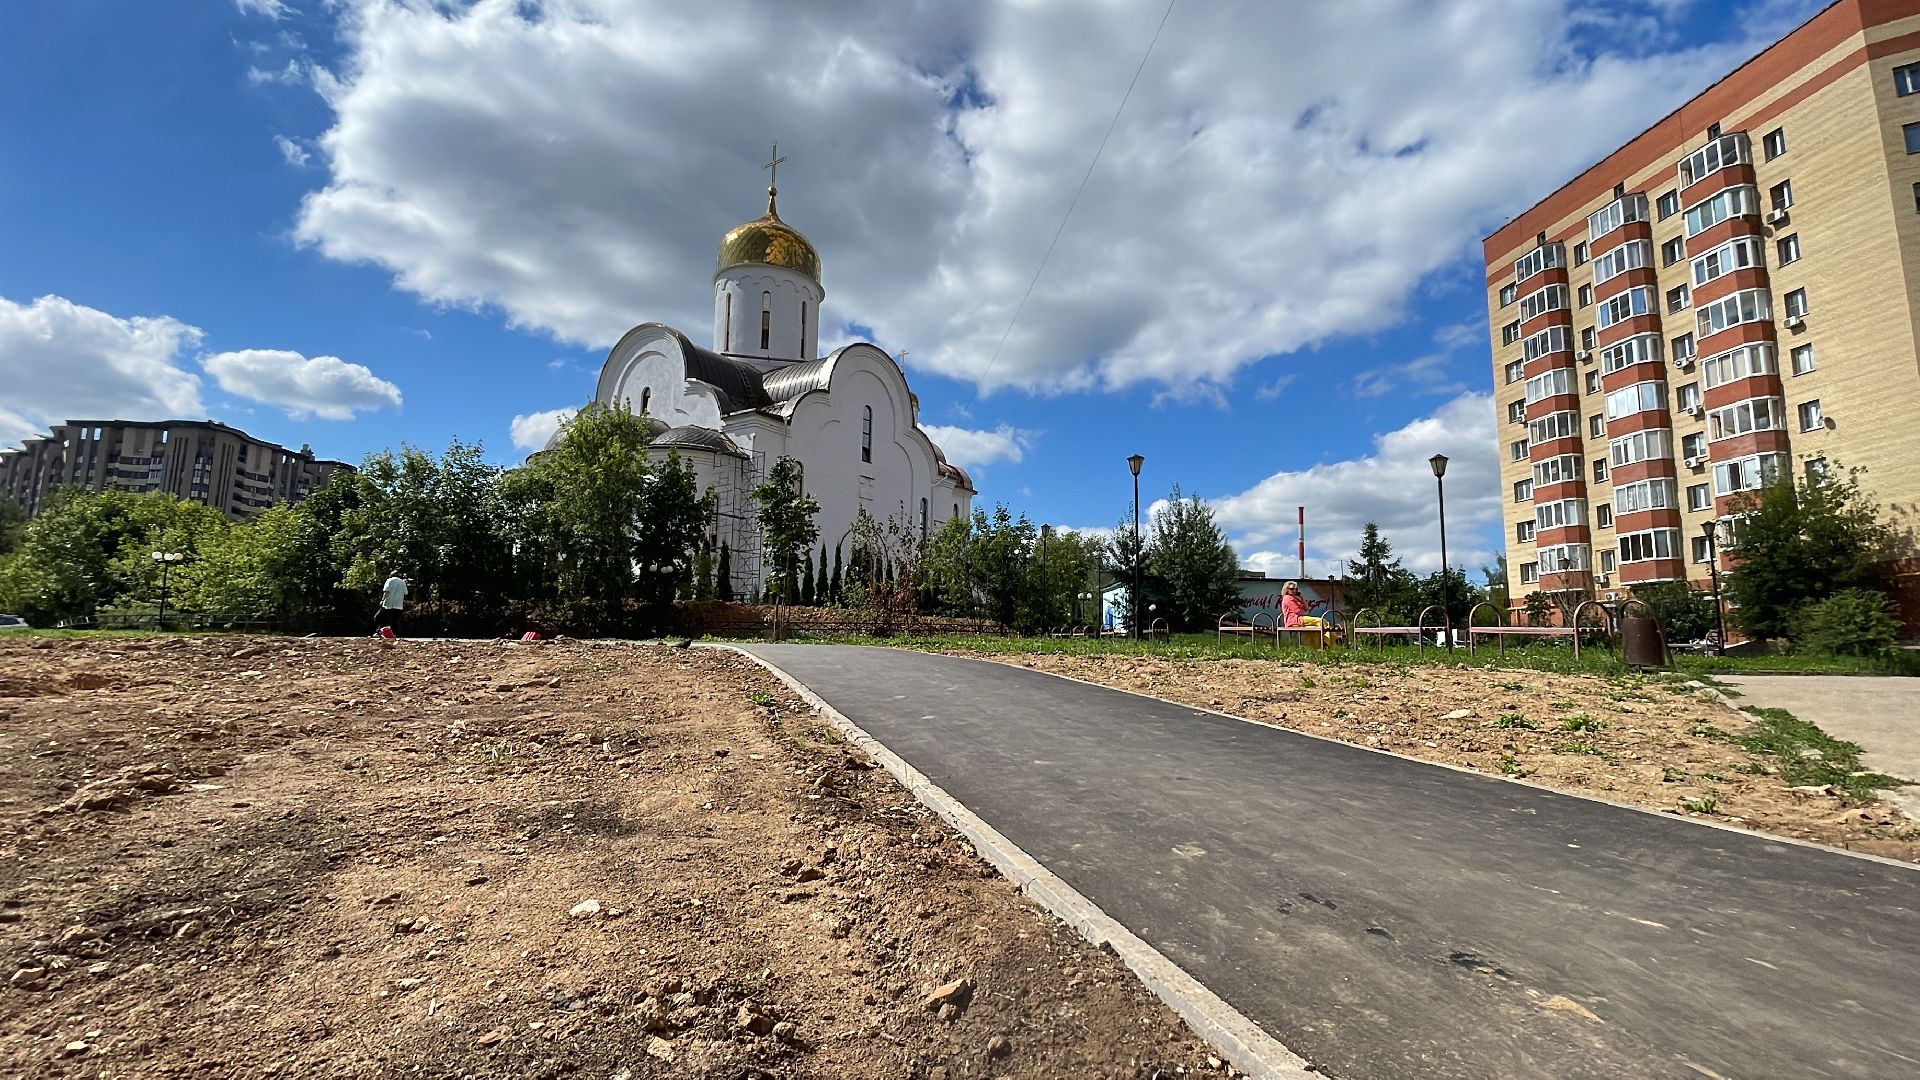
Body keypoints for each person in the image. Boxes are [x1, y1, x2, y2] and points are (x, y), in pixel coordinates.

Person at [376, 571, 408, 639]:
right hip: (398, 605)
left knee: (383, 619)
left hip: (388, 604)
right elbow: (405, 593)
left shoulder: (389, 580)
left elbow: (387, 591)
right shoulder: (403, 582)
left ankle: (379, 632)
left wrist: (382, 600)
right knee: (395, 621)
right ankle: (395, 634)